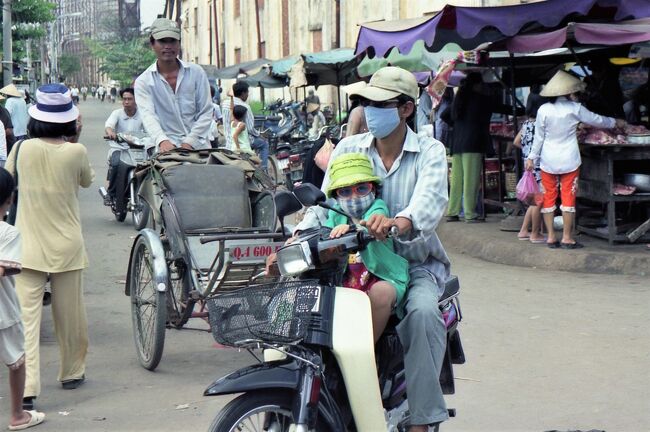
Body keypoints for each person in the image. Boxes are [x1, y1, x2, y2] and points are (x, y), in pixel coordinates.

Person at [294, 66, 452, 431]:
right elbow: (322, 205)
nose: (369, 109)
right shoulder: (350, 147)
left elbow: (429, 202)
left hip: (414, 265)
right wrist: (296, 237)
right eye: (365, 102)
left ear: (405, 109)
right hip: (348, 262)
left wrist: (399, 222)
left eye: (379, 103)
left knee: (424, 313)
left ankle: (421, 420)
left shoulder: (429, 151)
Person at [5, 83, 94, 409]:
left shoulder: (21, 149)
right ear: (69, 120)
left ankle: (28, 388)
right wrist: (75, 140)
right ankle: (72, 372)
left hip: (27, 246)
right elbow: (85, 181)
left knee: (26, 319)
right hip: (67, 246)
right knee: (70, 317)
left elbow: (6, 182)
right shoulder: (76, 152)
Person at [526, 70, 624, 249]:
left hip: (548, 159)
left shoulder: (544, 109)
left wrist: (532, 157)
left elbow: (539, 137)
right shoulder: (575, 108)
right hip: (569, 159)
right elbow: (597, 120)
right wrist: (615, 122)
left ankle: (550, 237)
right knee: (568, 198)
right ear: (569, 91)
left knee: (549, 199)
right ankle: (567, 238)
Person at [324, 153, 409, 341]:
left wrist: (352, 229)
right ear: (336, 197)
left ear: (373, 190)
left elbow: (375, 221)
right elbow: (324, 233)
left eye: (361, 189)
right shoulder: (335, 215)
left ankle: (367, 349)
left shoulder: (377, 207)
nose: (353, 197)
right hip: (347, 280)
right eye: (345, 192)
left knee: (382, 293)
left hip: (380, 276)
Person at [0, 168, 46, 431]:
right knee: (17, 362)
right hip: (5, 313)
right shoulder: (7, 232)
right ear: (9, 200)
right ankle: (17, 415)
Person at [135, 18, 213, 153]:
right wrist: (162, 140)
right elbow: (148, 116)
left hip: (198, 147)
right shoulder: (144, 82)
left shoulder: (197, 73)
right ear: (152, 44)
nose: (168, 46)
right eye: (162, 41)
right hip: (163, 149)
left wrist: (189, 142)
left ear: (179, 44)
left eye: (172, 41)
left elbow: (206, 111)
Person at [444, 72, 513, 223]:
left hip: (457, 143)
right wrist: (523, 110)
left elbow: (444, 115)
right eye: (481, 84)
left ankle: (452, 212)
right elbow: (503, 108)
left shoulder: (460, 98)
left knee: (457, 180)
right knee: (471, 179)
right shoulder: (482, 100)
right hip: (473, 143)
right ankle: (470, 213)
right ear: (477, 84)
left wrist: (458, 127)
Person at [513, 92, 546, 244]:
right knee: (538, 202)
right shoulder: (540, 124)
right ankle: (535, 234)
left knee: (534, 201)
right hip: (539, 166)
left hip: (528, 165)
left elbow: (516, 142)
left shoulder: (526, 124)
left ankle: (524, 230)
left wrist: (527, 151)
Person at [103, 87, 144, 205]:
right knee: (116, 164)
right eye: (124, 99)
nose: (126, 102)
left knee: (149, 167)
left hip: (138, 149)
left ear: (136, 100)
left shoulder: (143, 114)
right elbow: (109, 125)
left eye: (129, 99)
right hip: (119, 148)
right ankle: (110, 194)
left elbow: (150, 129)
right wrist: (110, 133)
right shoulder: (117, 113)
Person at [221, 81, 269, 170]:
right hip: (243, 144)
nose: (247, 95)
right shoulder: (245, 107)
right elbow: (250, 128)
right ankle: (263, 169)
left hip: (228, 141)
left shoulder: (224, 104)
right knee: (264, 144)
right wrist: (260, 135)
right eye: (247, 93)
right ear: (243, 93)